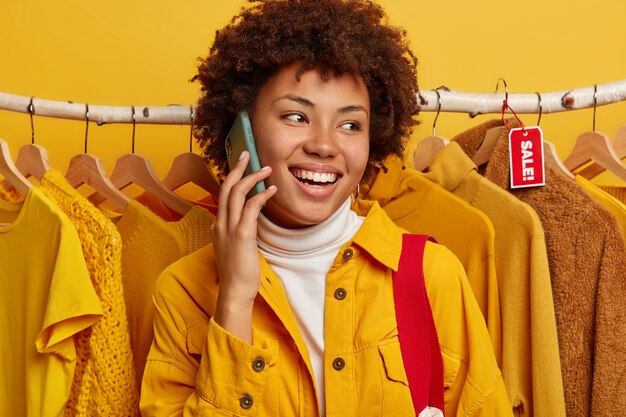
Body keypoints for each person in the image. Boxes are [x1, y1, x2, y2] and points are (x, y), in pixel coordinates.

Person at [140, 1, 511, 416]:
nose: (325, 144)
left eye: (350, 124)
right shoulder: (184, 291)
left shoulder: (431, 276)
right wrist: (235, 298)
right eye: (296, 116)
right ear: (239, 131)